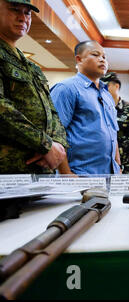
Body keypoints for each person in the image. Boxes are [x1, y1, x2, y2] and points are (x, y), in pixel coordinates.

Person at [0, 0, 67, 174]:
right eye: (15, 10)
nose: (23, 18)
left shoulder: (32, 67)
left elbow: (52, 111)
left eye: (27, 13)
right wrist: (45, 144)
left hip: (40, 170)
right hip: (8, 172)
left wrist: (57, 144)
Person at [51, 40, 120, 175]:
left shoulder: (107, 95)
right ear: (79, 59)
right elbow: (55, 133)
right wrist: (66, 174)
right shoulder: (66, 89)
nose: (102, 60)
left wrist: (118, 166)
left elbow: (113, 134)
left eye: (104, 57)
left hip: (110, 174)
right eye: (95, 55)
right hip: (80, 174)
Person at [100, 72, 129, 174]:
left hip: (125, 161)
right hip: (102, 159)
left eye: (107, 86)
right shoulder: (99, 107)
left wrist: (116, 152)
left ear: (116, 86)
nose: (103, 88)